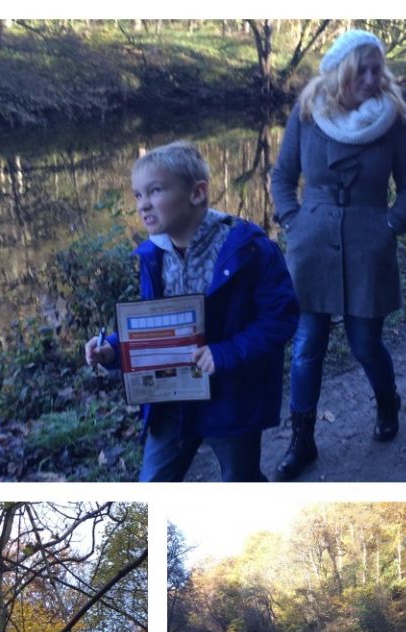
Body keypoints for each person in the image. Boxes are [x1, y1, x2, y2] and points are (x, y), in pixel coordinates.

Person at [85, 141, 299, 481]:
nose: (143, 204)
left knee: (239, 481)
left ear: (197, 193)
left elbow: (281, 317)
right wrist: (113, 349)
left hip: (231, 397)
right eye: (138, 195)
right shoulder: (151, 256)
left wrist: (226, 352)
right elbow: (154, 328)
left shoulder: (249, 249)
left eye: (155, 191)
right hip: (170, 398)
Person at [270, 29, 406, 480]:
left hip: (368, 245)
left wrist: (391, 225)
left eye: (379, 69)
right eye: (365, 69)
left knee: (364, 344)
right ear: (342, 71)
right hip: (311, 244)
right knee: (306, 346)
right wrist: (292, 221)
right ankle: (302, 441)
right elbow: (282, 176)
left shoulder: (394, 120)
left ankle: (387, 401)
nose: (374, 77)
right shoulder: (308, 113)